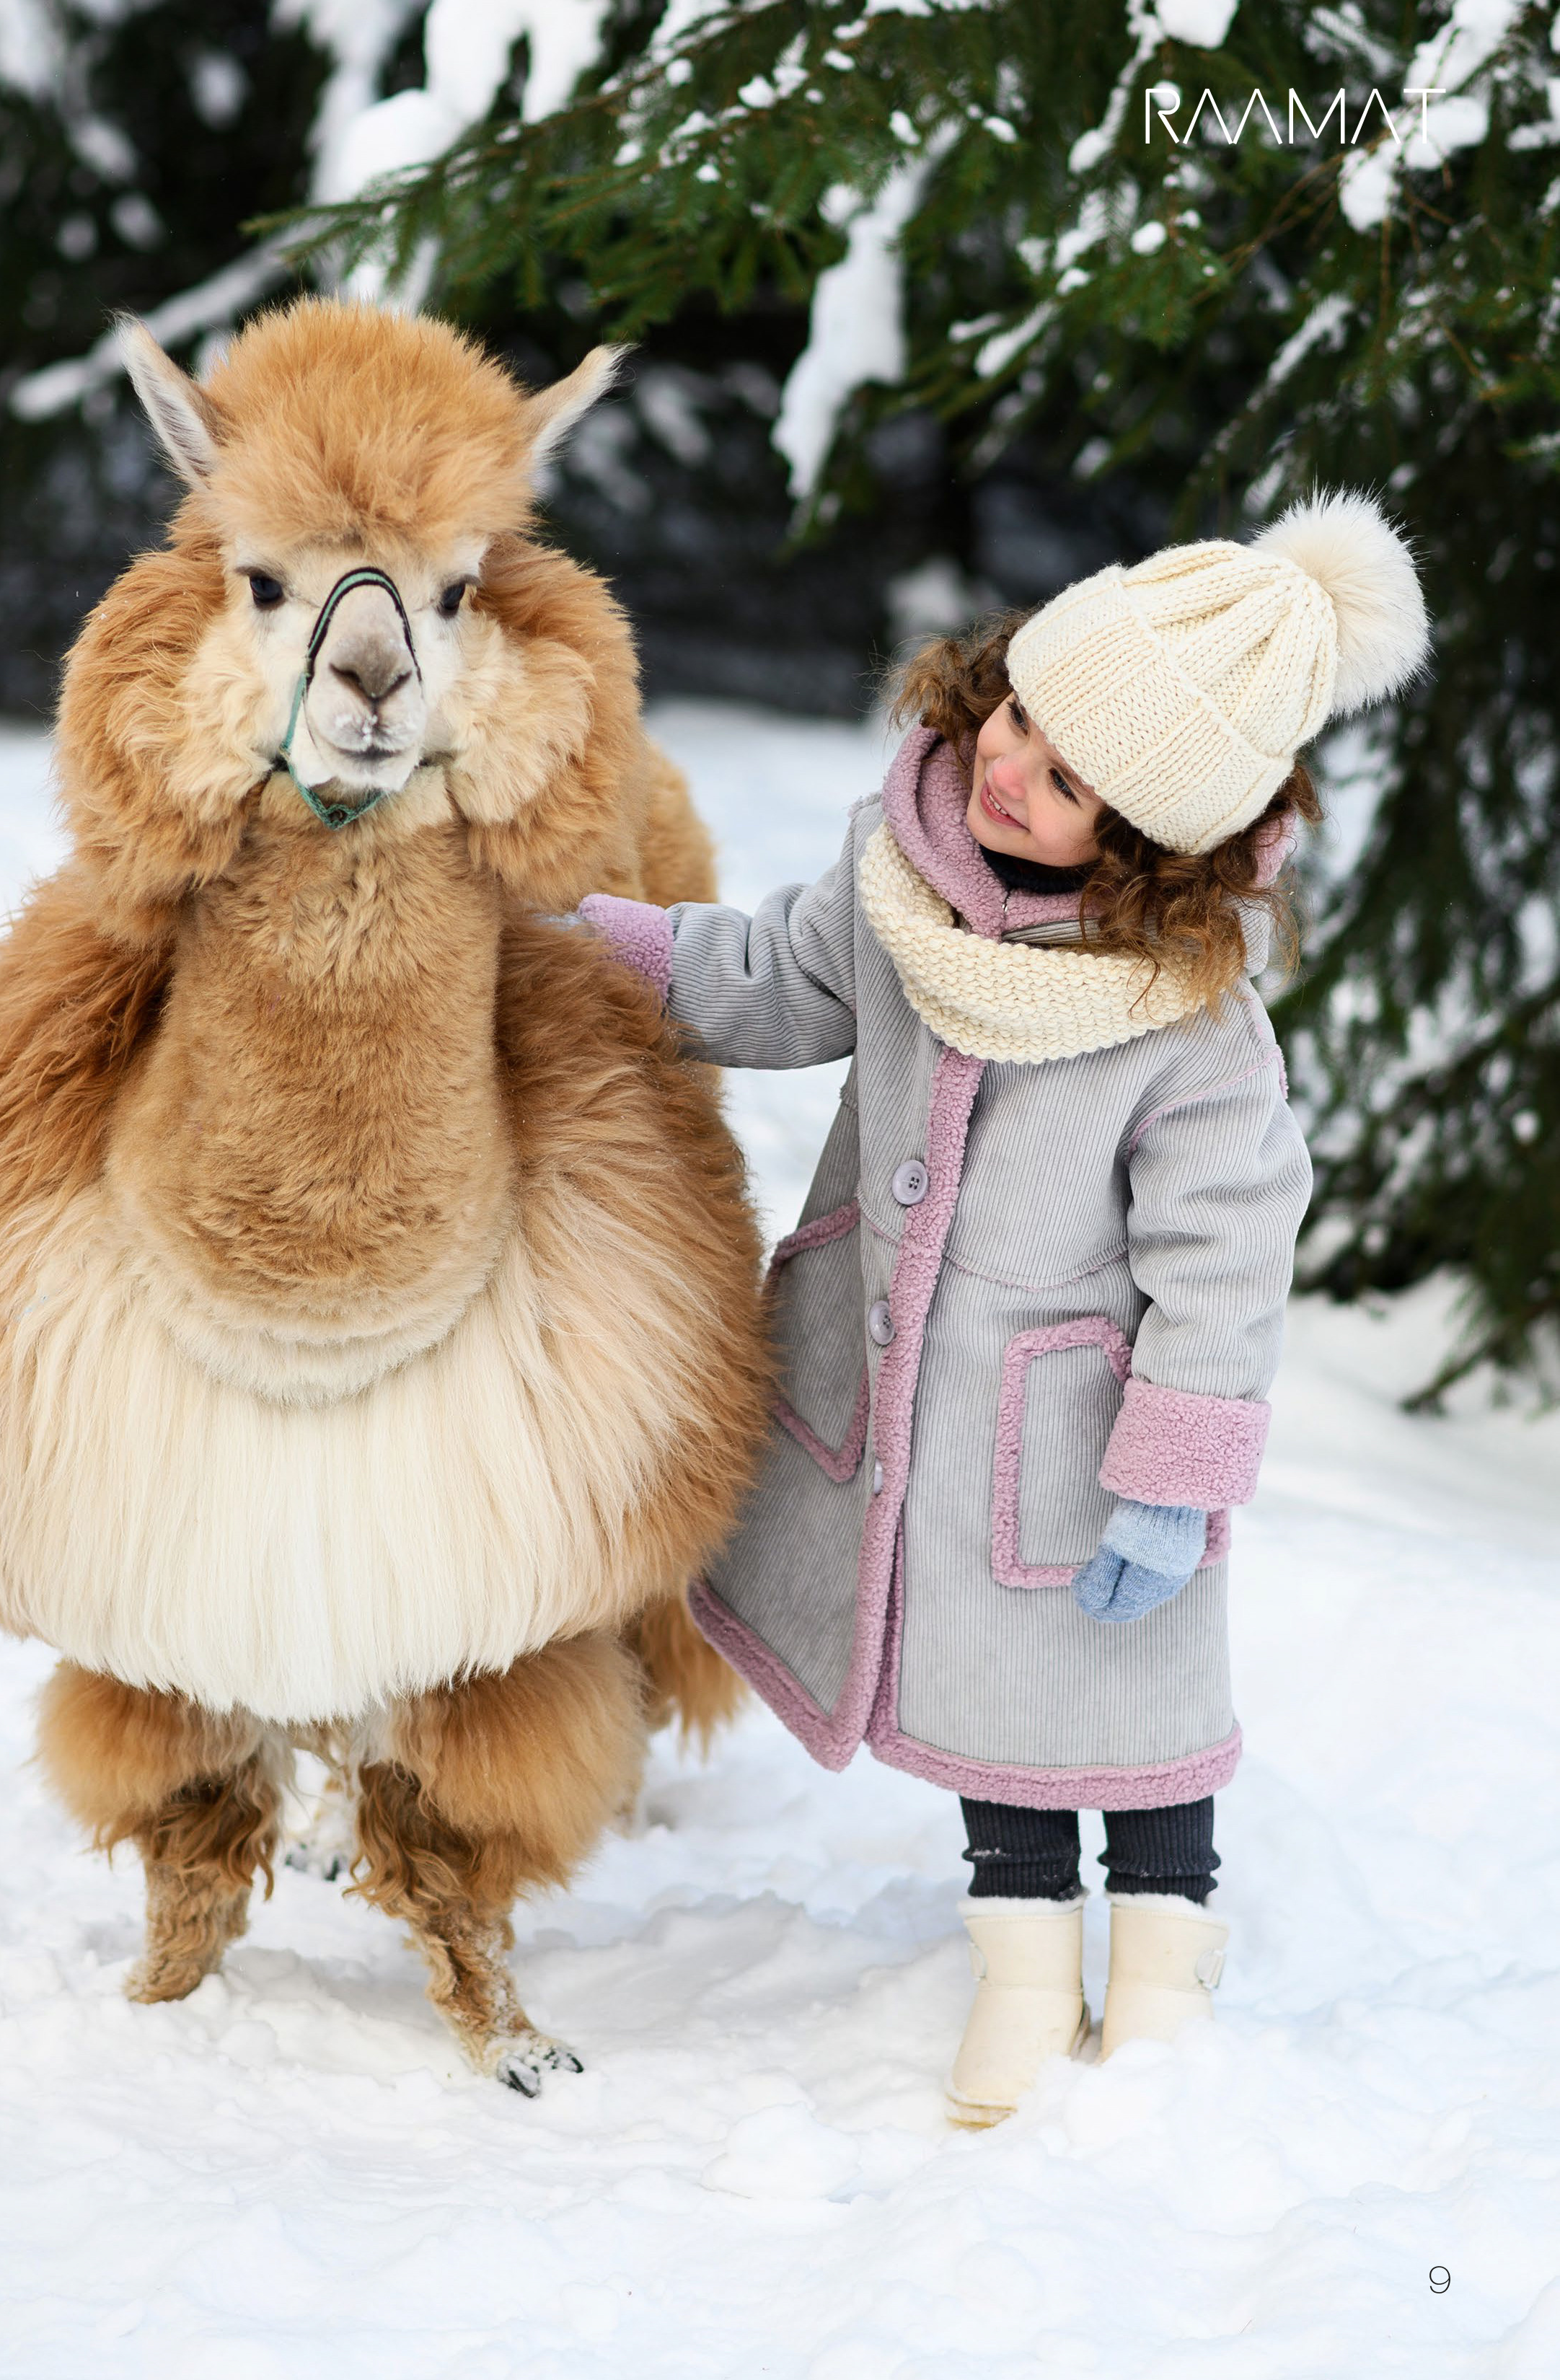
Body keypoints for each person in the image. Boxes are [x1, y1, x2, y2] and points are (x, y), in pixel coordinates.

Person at [583, 492, 1428, 2124]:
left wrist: (1176, 1471)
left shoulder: (1183, 1025)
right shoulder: (901, 873)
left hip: (1085, 1437)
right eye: (1025, 716)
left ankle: (1168, 1954)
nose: (1014, 769)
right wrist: (595, 957)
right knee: (978, 1698)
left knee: (1136, 1707)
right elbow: (782, 978)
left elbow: (1230, 1252)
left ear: (1152, 851)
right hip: (918, 1402)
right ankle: (1026, 1964)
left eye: (1070, 785)